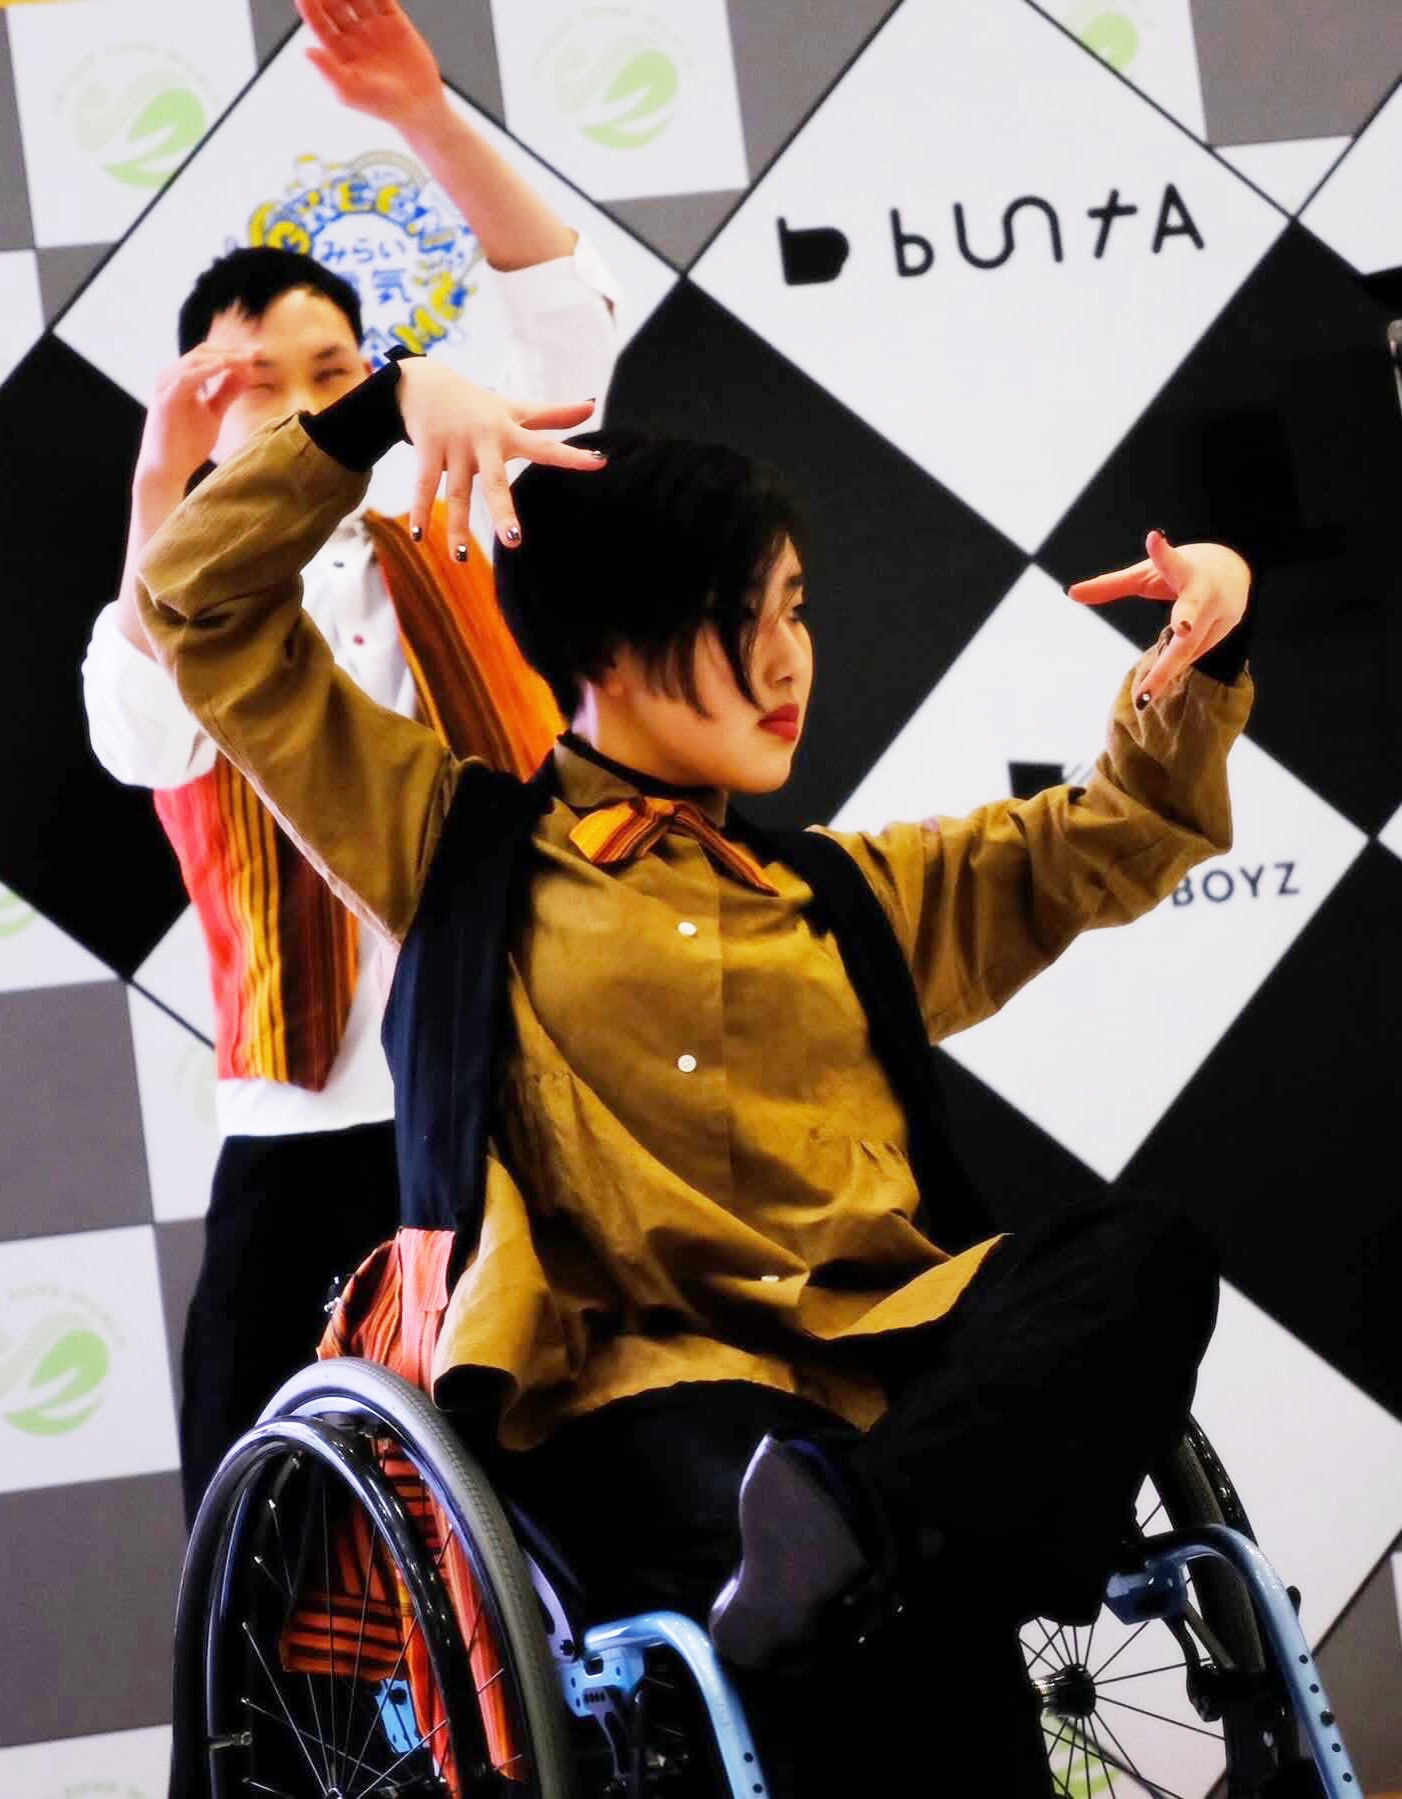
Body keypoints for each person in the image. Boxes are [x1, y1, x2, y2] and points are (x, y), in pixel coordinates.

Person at [134, 346, 1253, 1792]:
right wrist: (376, 406)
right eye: (743, 617)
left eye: (796, 611)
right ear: (609, 643)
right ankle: (851, 1556)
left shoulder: (846, 894)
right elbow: (202, 602)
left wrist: (1203, 646)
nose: (788, 661)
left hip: (874, 1387)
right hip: (632, 1392)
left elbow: (1113, 834)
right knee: (849, 1597)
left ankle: (851, 1543)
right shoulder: (457, 852)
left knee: (1145, 1255)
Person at [81, 0, 619, 1524]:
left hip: (515, 1092)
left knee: (556, 1525)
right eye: (256, 380)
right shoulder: (173, 608)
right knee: (256, 1536)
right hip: (303, 1134)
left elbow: (568, 339)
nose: (307, 402)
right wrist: (160, 493)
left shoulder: (450, 509)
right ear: (198, 415)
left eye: (336, 370)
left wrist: (424, 117)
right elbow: (139, 736)